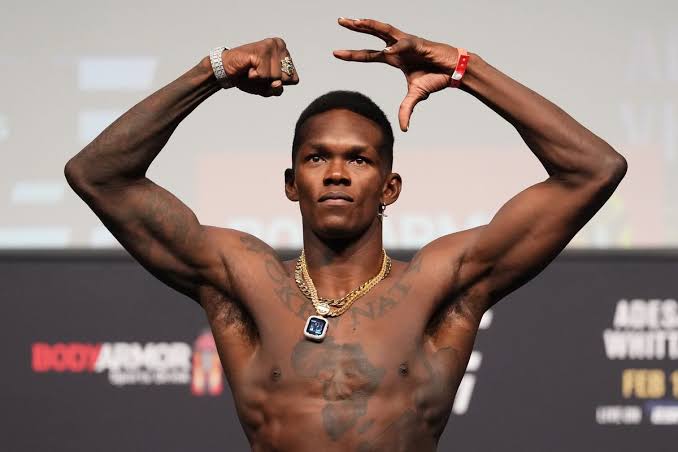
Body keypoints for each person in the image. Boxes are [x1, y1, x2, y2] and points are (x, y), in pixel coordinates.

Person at [64, 17, 627, 452]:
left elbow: (593, 170)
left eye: (358, 159)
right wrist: (214, 71)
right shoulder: (244, 281)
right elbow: (97, 175)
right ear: (292, 184)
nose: (336, 173)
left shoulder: (438, 286)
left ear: (390, 188)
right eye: (317, 158)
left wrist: (463, 68)